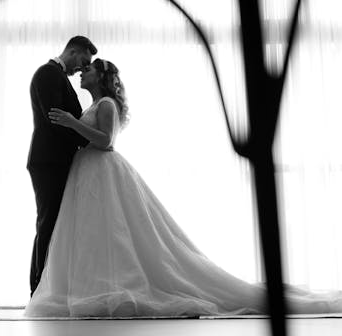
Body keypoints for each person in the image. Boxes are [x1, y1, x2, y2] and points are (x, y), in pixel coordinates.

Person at [25, 58, 342, 318]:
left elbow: (106, 142)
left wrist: (72, 123)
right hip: (86, 173)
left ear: (102, 78)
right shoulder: (94, 103)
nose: (84, 72)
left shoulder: (106, 104)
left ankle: (115, 288)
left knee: (115, 232)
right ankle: (89, 286)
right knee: (93, 233)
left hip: (102, 169)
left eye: (90, 70)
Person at [27, 35, 98, 295]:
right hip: (49, 161)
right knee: (48, 223)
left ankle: (48, 287)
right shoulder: (48, 73)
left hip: (57, 160)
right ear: (73, 50)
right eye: (84, 60)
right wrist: (87, 140)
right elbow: (55, 119)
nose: (83, 67)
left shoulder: (57, 76)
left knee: (54, 223)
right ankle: (38, 289)